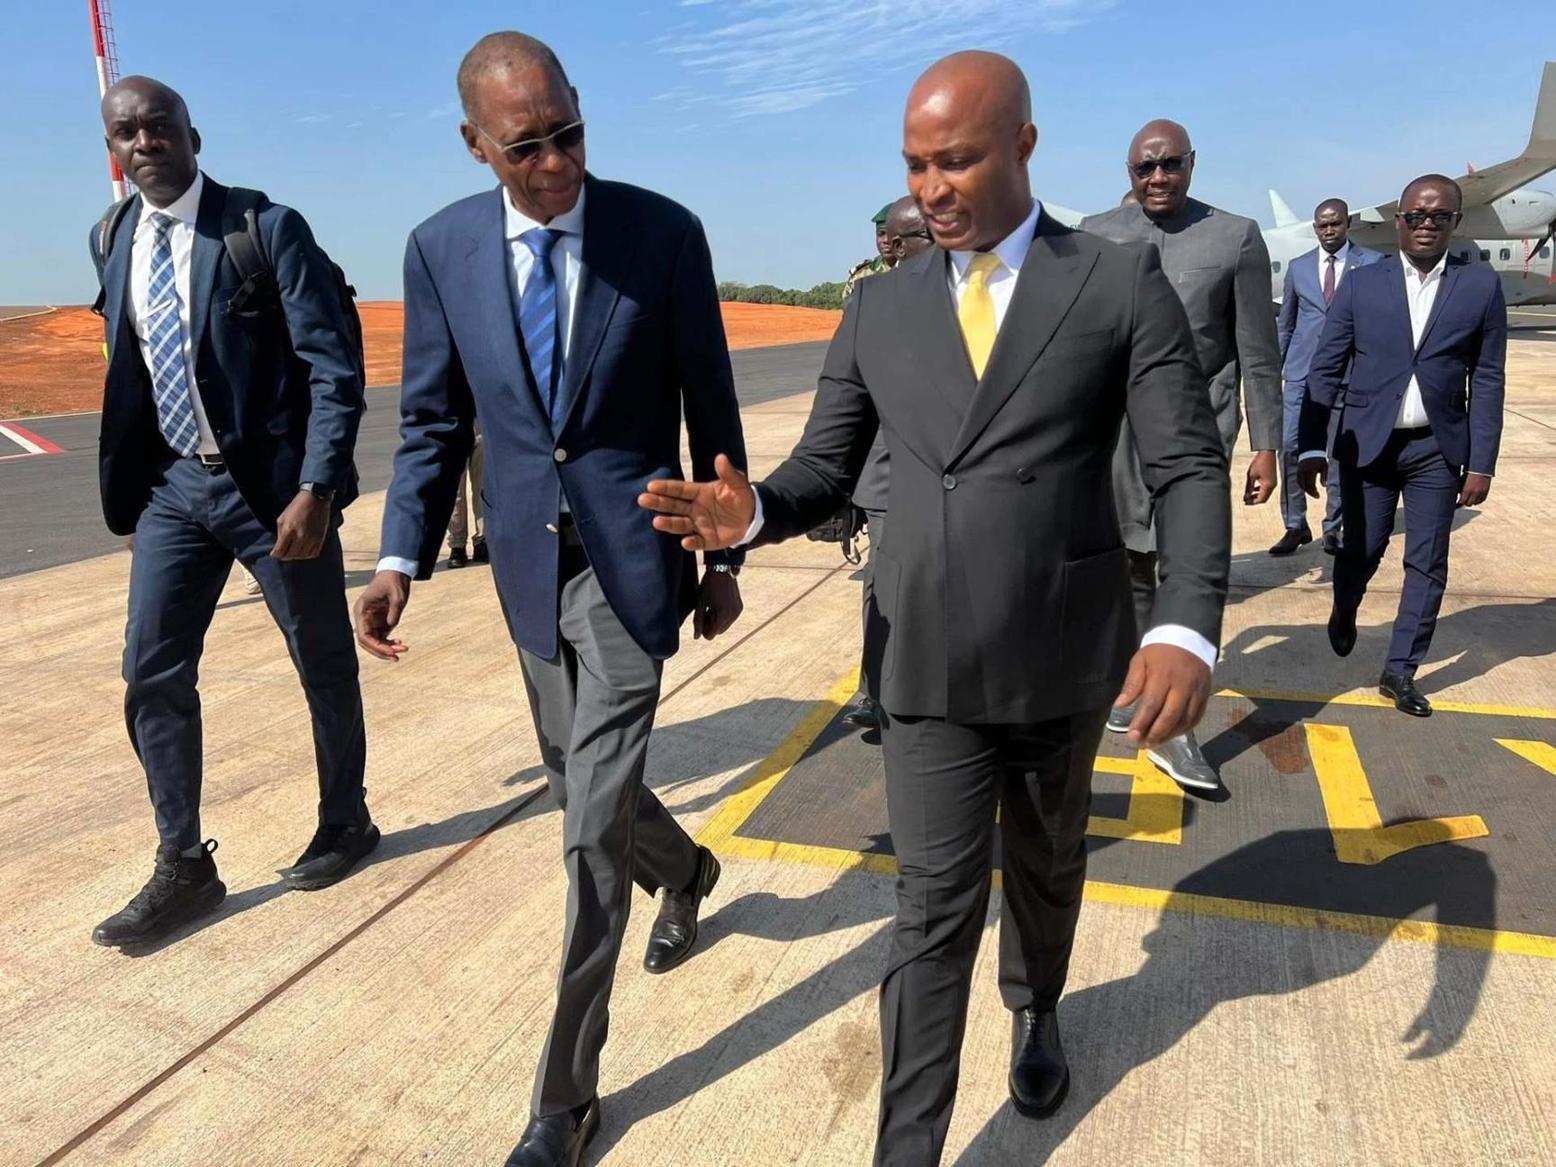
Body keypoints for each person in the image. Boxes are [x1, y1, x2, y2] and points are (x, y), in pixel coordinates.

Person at [639, 51, 1229, 1166]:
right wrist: (752, 512)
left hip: (1059, 650)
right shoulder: (879, 306)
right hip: (922, 658)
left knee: (1046, 867)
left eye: (954, 160)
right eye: (915, 164)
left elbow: (1188, 465)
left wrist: (1184, 624)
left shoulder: (1114, 282)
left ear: (1023, 145)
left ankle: (1037, 1003)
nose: (930, 187)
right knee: (930, 911)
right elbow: (824, 467)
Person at [352, 33, 748, 1167]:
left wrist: (725, 558)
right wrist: (398, 558)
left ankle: (563, 1100)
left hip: (637, 560)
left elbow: (710, 401)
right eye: (526, 147)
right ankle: (689, 870)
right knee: (583, 785)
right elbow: (434, 422)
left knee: (584, 837)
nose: (556, 163)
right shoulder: (441, 250)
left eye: (568, 133)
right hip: (528, 573)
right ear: (475, 144)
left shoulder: (661, 233)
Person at [88, 77, 375, 948]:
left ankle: (346, 817)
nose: (145, 141)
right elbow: (134, 367)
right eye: (127, 131)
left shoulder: (263, 228)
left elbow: (334, 368)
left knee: (321, 658)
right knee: (151, 669)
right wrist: (137, 491)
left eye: (160, 126)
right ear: (114, 149)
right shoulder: (112, 237)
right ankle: (183, 863)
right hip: (175, 489)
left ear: (193, 135)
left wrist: (318, 489)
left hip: (276, 492)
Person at [1081, 118, 1282, 795]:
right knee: (1129, 560)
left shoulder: (1234, 237)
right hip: (1114, 432)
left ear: (1192, 164)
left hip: (1197, 431)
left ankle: (1176, 726)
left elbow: (1258, 352)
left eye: (1170, 164)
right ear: (1129, 172)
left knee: (1188, 567)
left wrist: (1267, 447)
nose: (1159, 177)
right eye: (1146, 168)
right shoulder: (1095, 233)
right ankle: (1136, 685)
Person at [1299, 175, 1506, 718]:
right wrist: (1310, 446)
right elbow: (1325, 368)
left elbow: (1488, 377)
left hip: (1437, 448)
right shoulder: (1362, 285)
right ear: (1399, 221)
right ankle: (1345, 606)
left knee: (1428, 561)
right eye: (1416, 215)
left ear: (1455, 222)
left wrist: (1482, 462)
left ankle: (1400, 669)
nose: (1425, 225)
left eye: (1438, 216)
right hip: (1367, 446)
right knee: (1362, 551)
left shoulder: (1480, 287)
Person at [844, 195, 933, 731]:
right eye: (930, 235)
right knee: (882, 585)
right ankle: (872, 692)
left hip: (950, 478)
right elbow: (848, 400)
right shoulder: (869, 300)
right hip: (884, 477)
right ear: (897, 246)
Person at [1273, 199, 1381, 555]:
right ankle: (1295, 524)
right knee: (1290, 446)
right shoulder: (1299, 267)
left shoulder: (1372, 263)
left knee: (1338, 454)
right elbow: (1287, 324)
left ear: (1347, 223)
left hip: (1348, 376)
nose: (1329, 231)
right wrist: (1276, 368)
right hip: (1301, 375)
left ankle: (1333, 528)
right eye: (1322, 225)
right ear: (1315, 227)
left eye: (1335, 224)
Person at [445, 420, 487, 568]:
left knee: (483, 486)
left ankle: (482, 540)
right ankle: (457, 544)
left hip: (480, 420)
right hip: (452, 423)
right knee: (454, 491)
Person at [843, 202, 899, 300]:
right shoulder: (861, 276)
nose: (886, 240)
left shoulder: (918, 272)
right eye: (881, 234)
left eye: (891, 233)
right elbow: (849, 308)